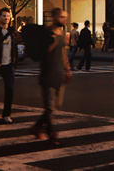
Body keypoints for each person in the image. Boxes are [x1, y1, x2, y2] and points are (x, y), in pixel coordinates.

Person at [28, 8, 72, 144]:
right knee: (49, 107)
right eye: (61, 17)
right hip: (47, 73)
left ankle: (37, 127)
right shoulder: (47, 33)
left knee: (55, 106)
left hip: (59, 72)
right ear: (54, 17)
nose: (64, 19)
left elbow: (64, 52)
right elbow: (43, 53)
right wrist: (52, 42)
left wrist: (68, 69)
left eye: (65, 17)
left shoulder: (63, 33)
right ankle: (51, 133)